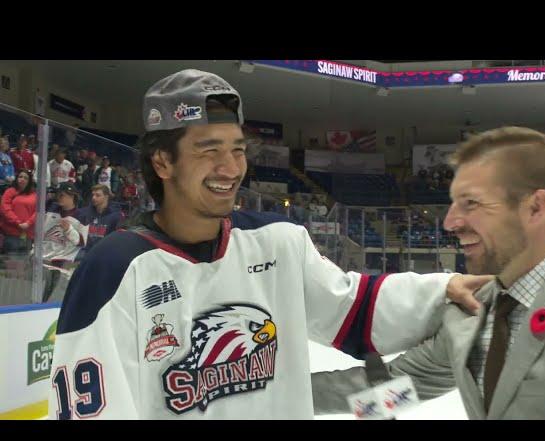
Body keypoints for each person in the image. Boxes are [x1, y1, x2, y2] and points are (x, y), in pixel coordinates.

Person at [48, 69, 490, 420]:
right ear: (162, 161)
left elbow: (352, 311)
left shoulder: (278, 240)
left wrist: (442, 289)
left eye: (238, 149)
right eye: (209, 150)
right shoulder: (116, 268)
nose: (231, 168)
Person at [312, 126, 545, 420]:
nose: (450, 223)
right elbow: (390, 393)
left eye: (472, 204)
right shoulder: (470, 315)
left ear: (536, 208)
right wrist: (272, 392)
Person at [0, 169, 37, 254]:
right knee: (11, 264)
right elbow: (5, 209)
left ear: (29, 181)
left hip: (28, 236)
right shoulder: (10, 192)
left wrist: (28, 223)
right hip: (11, 234)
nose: (22, 179)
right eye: (20, 177)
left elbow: (37, 212)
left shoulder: (34, 195)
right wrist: (18, 222)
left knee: (24, 263)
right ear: (16, 178)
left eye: (25, 178)